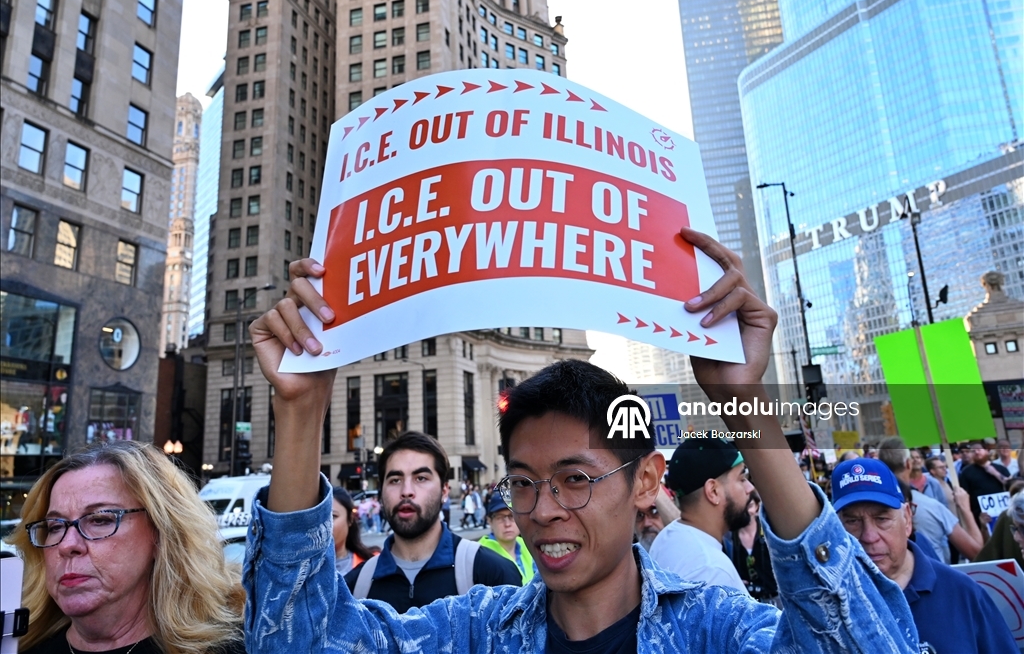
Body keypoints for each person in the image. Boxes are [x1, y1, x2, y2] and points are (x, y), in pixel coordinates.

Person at [243, 228, 921, 653]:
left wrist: (747, 407)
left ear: (647, 481)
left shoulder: (715, 629)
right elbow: (303, 640)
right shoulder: (476, 631)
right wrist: (300, 417)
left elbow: (865, 642)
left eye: (575, 478)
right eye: (524, 481)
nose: (541, 510)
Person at [9, 440, 244, 654]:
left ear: (162, 534)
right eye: (54, 526)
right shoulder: (17, 647)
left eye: (100, 520)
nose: (68, 545)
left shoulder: (228, 647)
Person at [831, 457, 1016, 654]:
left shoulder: (963, 593)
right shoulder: (826, 602)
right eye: (852, 521)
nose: (869, 536)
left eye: (882, 519)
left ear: (907, 518)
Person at [341, 431, 520, 611]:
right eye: (395, 480)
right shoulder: (353, 589)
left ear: (444, 491)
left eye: (421, 478)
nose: (406, 491)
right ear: (382, 493)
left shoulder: (494, 576)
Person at [648, 438, 752, 591]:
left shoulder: (666, 539)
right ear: (713, 491)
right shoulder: (712, 570)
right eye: (742, 479)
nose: (749, 488)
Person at [877, 436, 983, 563]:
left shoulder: (869, 509)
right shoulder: (931, 507)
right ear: (908, 464)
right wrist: (966, 509)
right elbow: (977, 554)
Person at [728, 493, 777, 604]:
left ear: (756, 507)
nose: (746, 512)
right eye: (742, 507)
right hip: (746, 602)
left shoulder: (769, 531)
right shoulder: (728, 539)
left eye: (749, 506)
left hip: (774, 599)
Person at [478, 495, 536, 586]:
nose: (507, 524)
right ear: (490, 521)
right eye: (500, 518)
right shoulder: (480, 553)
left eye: (512, 516)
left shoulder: (526, 544)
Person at [959, 441, 1009, 525]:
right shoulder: (966, 472)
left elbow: (1011, 486)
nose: (976, 452)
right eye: (973, 451)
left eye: (979, 449)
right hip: (981, 518)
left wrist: (995, 473)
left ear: (986, 451)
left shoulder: (1001, 469)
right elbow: (965, 496)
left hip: (1004, 513)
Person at [331, 487, 379, 573]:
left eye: (333, 516)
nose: (324, 525)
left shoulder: (373, 564)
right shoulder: (301, 572)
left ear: (350, 519)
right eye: (318, 518)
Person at [976, 483, 1024, 568]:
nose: (1016, 537)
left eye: (1023, 529)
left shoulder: (1007, 517)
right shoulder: (1007, 517)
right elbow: (992, 550)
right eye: (1015, 529)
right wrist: (985, 529)